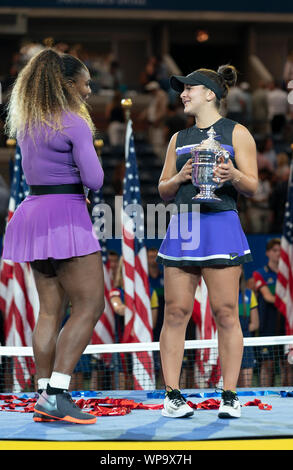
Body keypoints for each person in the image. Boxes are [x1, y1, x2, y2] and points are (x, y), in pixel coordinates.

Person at [2, 48, 105, 424]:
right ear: (68, 84)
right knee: (91, 305)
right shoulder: (73, 121)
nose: (89, 91)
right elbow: (94, 179)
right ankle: (58, 394)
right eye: (86, 83)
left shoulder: (28, 121)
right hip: (66, 216)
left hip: (32, 216)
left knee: (49, 311)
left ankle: (43, 392)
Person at [156, 65, 258, 418]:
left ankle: (229, 396)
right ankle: (172, 396)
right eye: (182, 90)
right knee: (175, 312)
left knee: (227, 313)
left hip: (221, 224)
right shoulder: (177, 139)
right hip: (184, 227)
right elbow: (163, 189)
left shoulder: (238, 133)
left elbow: (254, 186)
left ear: (210, 94)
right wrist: (181, 176)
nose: (182, 94)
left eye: (189, 89)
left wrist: (234, 175)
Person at [253, 238, 286, 387]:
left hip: (286, 326)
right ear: (267, 253)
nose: (278, 254)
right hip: (267, 327)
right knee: (268, 365)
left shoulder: (288, 275)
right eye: (274, 250)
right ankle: (264, 397)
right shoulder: (260, 273)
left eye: (280, 250)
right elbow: (267, 296)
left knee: (287, 363)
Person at [237, 271, 259, 388]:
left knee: (246, 385)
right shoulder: (222, 295)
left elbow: (255, 324)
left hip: (246, 342)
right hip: (228, 342)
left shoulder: (250, 295)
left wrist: (239, 332)